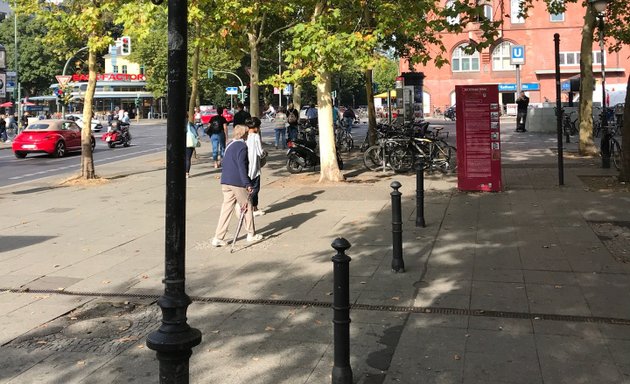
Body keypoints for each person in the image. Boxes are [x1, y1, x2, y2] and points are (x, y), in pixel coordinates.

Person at [211, 124, 263, 247]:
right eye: (246, 133)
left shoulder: (230, 145)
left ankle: (218, 236)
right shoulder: (242, 147)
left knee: (226, 208)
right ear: (243, 134)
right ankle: (251, 233)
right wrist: (247, 183)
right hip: (237, 181)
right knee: (247, 206)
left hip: (226, 180)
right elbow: (241, 166)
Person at [246, 117, 266, 216]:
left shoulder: (245, 135)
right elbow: (259, 151)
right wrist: (265, 153)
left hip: (246, 165)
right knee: (255, 188)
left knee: (249, 186)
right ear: (256, 127)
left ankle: (254, 207)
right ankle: (250, 206)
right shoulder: (256, 136)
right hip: (254, 165)